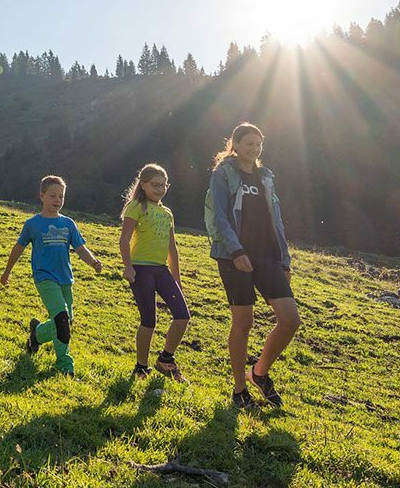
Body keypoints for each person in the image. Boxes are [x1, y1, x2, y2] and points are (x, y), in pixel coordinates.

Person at [206, 122, 300, 408]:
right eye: (248, 143)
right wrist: (236, 251)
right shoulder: (223, 174)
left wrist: (284, 258)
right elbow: (220, 216)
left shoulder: (266, 177)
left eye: (258, 144)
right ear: (234, 144)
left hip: (267, 256)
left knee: (290, 320)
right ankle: (239, 391)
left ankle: (259, 373)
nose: (254, 148)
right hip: (234, 255)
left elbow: (277, 220)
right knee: (244, 322)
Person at [0, 175, 103, 374]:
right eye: (53, 195)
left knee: (65, 321)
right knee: (62, 320)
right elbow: (18, 248)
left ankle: (36, 334)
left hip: (66, 279)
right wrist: (7, 272)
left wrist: (93, 262)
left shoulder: (68, 224)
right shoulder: (33, 224)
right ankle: (64, 366)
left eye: (61, 197)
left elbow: (80, 248)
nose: (57, 200)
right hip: (44, 278)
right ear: (42, 196)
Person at [119, 163, 190, 380]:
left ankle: (165, 359)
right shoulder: (136, 207)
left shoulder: (167, 213)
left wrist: (176, 278)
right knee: (149, 321)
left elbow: (172, 248)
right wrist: (128, 267)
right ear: (143, 185)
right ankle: (141, 367)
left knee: (182, 317)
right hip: (141, 270)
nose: (159, 189)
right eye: (155, 185)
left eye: (163, 185)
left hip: (162, 270)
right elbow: (124, 240)